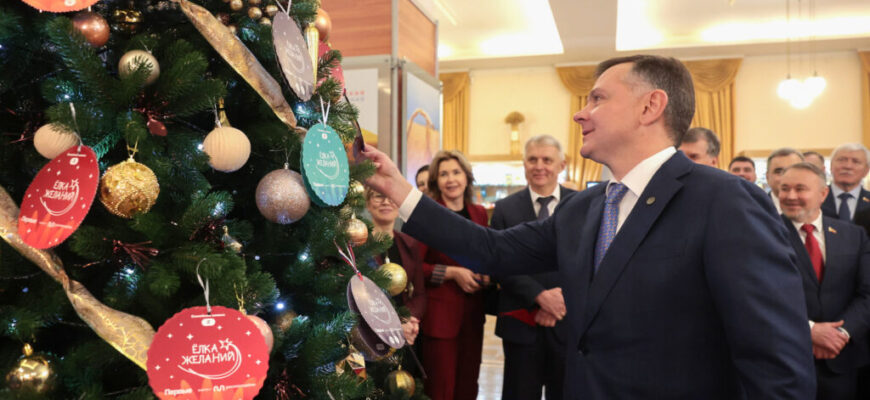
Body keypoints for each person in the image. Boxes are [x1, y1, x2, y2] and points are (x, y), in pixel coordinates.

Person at [362, 54, 814, 399]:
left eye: (598, 98)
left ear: (650, 106)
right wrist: (401, 190)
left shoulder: (724, 200)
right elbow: (492, 250)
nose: (581, 113)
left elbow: (775, 357)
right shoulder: (584, 208)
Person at [777, 162, 870, 399]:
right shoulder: (763, 233)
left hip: (841, 360)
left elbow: (867, 292)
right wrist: (809, 330)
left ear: (823, 193)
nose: (790, 196)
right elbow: (758, 296)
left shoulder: (853, 234)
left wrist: (842, 333)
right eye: (784, 189)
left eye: (800, 189)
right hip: (784, 361)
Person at [491, 135, 573, 400]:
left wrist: (561, 299)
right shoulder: (505, 209)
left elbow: (591, 260)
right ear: (524, 164)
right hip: (521, 323)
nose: (539, 166)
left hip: (568, 321)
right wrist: (539, 296)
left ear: (561, 165)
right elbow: (498, 263)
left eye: (547, 160)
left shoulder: (582, 204)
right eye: (533, 159)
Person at [418, 150, 489, 400]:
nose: (451, 179)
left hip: (473, 314)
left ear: (467, 177)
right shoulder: (429, 214)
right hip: (440, 319)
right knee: (441, 389)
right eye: (444, 174)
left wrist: (487, 275)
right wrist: (451, 273)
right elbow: (415, 266)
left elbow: (487, 255)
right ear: (436, 181)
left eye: (456, 172)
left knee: (468, 385)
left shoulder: (479, 213)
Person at [365, 187, 426, 346]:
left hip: (406, 332)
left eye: (391, 197)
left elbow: (419, 294)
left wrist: (407, 321)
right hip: (370, 334)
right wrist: (394, 325)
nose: (386, 202)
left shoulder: (410, 244)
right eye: (379, 196)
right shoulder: (358, 245)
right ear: (368, 204)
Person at [821, 143, 870, 222]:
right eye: (842, 160)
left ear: (866, 170)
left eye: (856, 162)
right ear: (831, 166)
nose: (848, 166)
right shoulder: (817, 198)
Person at [766, 148, 805, 213]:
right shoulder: (755, 208)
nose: (787, 177)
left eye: (794, 171)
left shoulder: (818, 208)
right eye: (779, 171)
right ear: (767, 177)